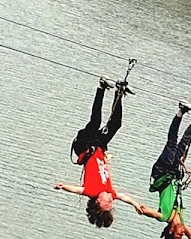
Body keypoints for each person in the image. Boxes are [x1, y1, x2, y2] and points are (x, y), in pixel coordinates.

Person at [133, 97, 191, 239]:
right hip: (173, 174)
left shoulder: (164, 216)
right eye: (181, 236)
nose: (182, 233)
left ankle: (181, 111)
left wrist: (143, 211)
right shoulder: (183, 224)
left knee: (172, 143)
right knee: (185, 143)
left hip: (162, 172)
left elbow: (152, 213)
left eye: (178, 234)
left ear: (171, 230)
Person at [53, 76, 143, 227]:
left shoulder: (92, 191)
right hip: (99, 147)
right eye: (111, 203)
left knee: (95, 122)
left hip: (83, 146)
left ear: (97, 202)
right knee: (115, 124)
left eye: (106, 202)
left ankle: (101, 87)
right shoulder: (110, 192)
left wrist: (62, 187)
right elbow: (122, 197)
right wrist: (135, 204)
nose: (110, 200)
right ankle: (119, 92)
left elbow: (76, 190)